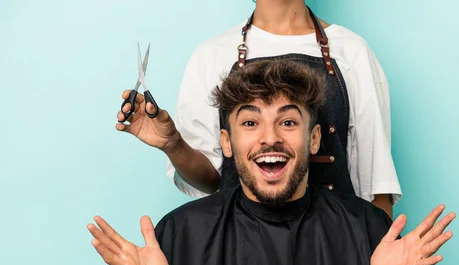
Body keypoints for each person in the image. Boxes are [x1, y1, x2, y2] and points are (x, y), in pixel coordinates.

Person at [100, 59, 455, 265]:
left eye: (287, 122)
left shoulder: (367, 230)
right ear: (227, 143)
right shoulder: (180, 236)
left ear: (313, 139)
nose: (269, 138)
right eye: (250, 123)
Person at [117, 0, 401, 217]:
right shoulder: (212, 55)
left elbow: (377, 185)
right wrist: (173, 144)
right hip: (239, 253)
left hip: (337, 251)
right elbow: (212, 180)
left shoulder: (353, 51)